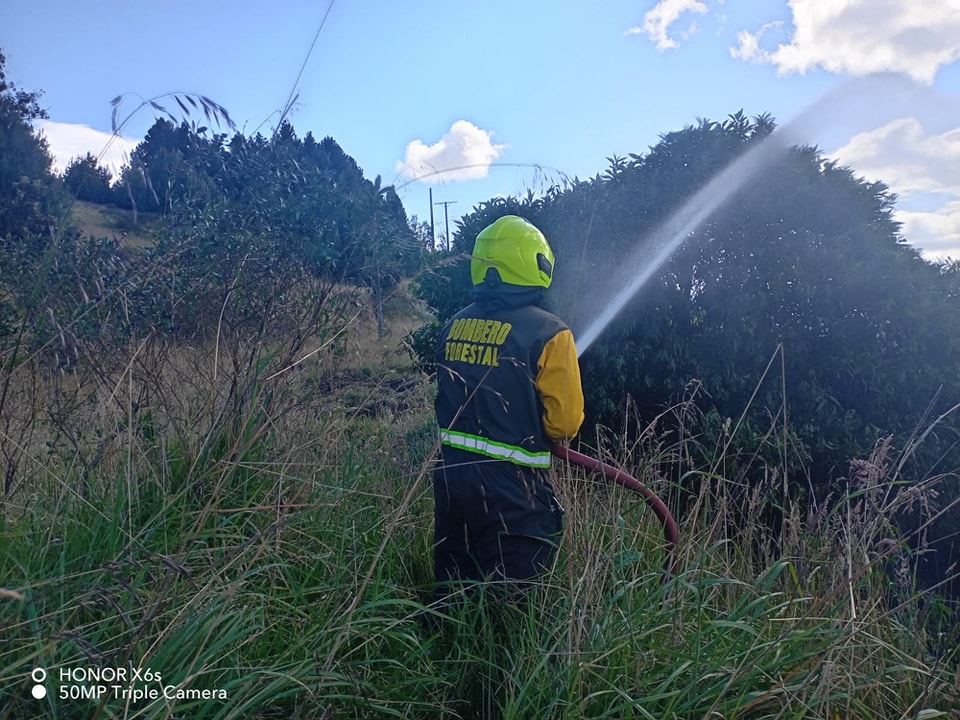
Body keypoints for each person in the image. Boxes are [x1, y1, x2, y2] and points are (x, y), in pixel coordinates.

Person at [431, 214, 584, 609]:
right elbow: (564, 424)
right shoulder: (551, 333)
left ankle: (444, 658)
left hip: (451, 476)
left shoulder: (455, 324)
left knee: (454, 585)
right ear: (533, 263)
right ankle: (501, 668)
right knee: (512, 603)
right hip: (514, 489)